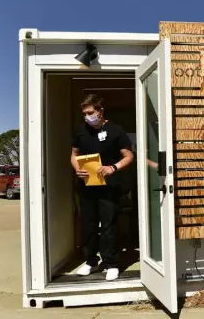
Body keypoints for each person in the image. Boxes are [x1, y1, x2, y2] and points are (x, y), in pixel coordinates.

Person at [70, 94, 134, 281]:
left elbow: (128, 156)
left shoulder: (116, 131)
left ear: (100, 111)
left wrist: (113, 167)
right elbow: (74, 155)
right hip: (88, 185)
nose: (87, 116)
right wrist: (77, 169)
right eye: (84, 113)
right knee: (88, 225)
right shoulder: (80, 131)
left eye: (90, 112)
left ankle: (111, 263)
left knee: (108, 225)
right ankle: (91, 261)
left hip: (109, 186)